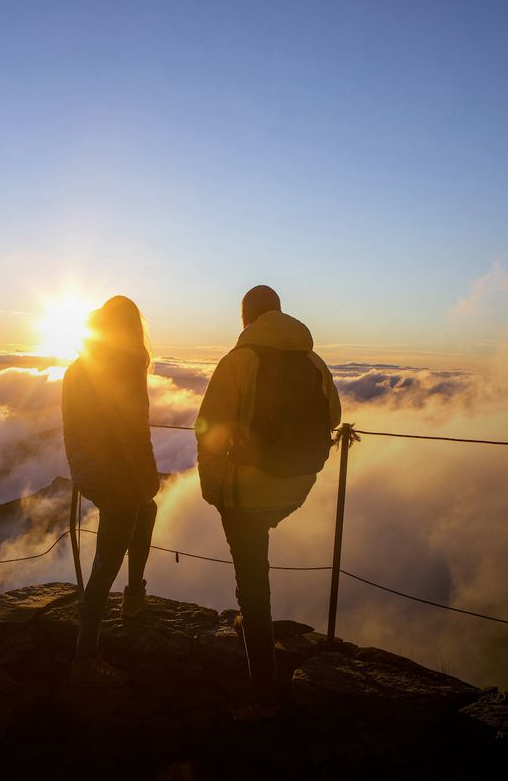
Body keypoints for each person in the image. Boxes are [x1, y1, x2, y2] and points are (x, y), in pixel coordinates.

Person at [195, 285, 341, 717]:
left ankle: (263, 692)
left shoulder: (237, 361)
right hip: (296, 485)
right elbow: (331, 417)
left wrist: (212, 487)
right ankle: (250, 619)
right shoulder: (313, 361)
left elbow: (208, 428)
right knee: (256, 546)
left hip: (247, 491)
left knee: (254, 576)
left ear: (246, 319)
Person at [61, 295, 160, 688]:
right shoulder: (121, 365)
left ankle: (134, 598)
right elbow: (132, 429)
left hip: (90, 467)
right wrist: (143, 475)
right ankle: (85, 656)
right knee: (108, 558)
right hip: (113, 469)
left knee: (146, 511)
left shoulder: (82, 364)